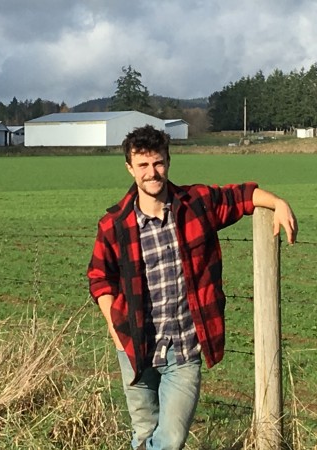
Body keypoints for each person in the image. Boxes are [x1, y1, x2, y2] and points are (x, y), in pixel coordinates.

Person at [87, 125, 297, 450]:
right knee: (143, 434)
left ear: (168, 161)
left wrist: (278, 202)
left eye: (157, 163)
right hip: (134, 345)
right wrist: (113, 325)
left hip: (184, 349)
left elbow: (240, 196)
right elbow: (100, 276)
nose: (151, 172)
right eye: (142, 165)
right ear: (130, 167)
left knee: (170, 440)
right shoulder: (115, 224)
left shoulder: (196, 204)